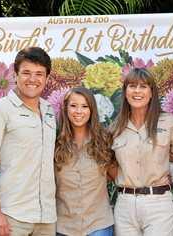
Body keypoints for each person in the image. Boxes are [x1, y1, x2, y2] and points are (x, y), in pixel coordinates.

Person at [0, 47, 57, 236]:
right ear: (15, 74)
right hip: (10, 217)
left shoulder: (50, 111)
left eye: (39, 74)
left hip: (46, 219)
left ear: (47, 78)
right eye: (26, 73)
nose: (33, 79)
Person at [111, 68, 173, 236]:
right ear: (125, 92)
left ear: (151, 93)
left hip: (159, 204)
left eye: (143, 86)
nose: (137, 91)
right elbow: (109, 164)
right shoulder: (115, 127)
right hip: (125, 205)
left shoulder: (168, 122)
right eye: (132, 86)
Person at [54, 87, 114, 236]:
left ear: (92, 110)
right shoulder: (54, 144)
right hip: (63, 226)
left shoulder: (105, 140)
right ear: (65, 109)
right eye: (73, 106)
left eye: (84, 106)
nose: (79, 111)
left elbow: (116, 175)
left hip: (98, 225)